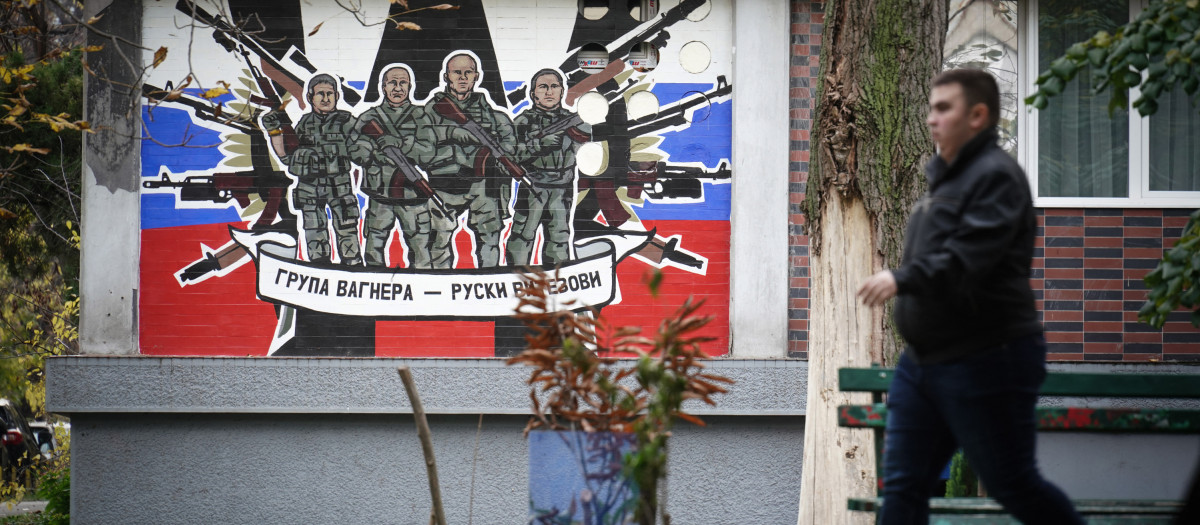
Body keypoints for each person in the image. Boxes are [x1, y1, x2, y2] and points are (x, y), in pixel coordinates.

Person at [857, 68, 1084, 525]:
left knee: (1012, 484)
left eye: (944, 108)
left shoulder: (997, 177)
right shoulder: (948, 180)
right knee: (902, 487)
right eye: (930, 109)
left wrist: (903, 278)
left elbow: (966, 260)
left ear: (977, 115)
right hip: (923, 364)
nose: (931, 119)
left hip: (986, 358)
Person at [423, 51, 517, 268]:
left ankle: (488, 280)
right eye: (457, 72)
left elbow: (510, 147)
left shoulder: (494, 116)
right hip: (443, 184)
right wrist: (452, 138)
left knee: (490, 237)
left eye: (468, 72)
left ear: (477, 76)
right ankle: (440, 282)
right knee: (438, 240)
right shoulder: (431, 112)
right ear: (446, 76)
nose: (462, 77)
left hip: (481, 187)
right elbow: (421, 148)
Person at [263, 73, 362, 265]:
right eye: (320, 94)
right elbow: (286, 157)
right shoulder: (304, 124)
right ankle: (320, 267)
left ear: (336, 97)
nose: (325, 99)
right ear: (310, 97)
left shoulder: (347, 122)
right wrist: (274, 131)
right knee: (315, 232)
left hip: (339, 187)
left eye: (329, 94)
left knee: (347, 229)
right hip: (309, 188)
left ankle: (353, 268)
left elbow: (363, 151)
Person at [348, 65, 438, 268]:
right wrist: (375, 148)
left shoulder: (420, 116)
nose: (398, 88)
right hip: (380, 197)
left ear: (410, 86)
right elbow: (355, 151)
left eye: (402, 83)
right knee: (373, 250)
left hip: (412, 197)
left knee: (421, 252)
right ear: (383, 86)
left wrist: (401, 144)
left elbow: (429, 152)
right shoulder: (369, 117)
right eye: (392, 83)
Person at [508, 68, 590, 266]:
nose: (549, 92)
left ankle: (556, 280)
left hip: (563, 188)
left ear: (562, 91)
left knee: (559, 238)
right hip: (533, 186)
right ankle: (515, 278)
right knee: (522, 236)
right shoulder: (523, 122)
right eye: (543, 87)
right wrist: (539, 144)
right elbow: (510, 156)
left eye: (554, 86)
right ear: (533, 93)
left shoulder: (575, 121)